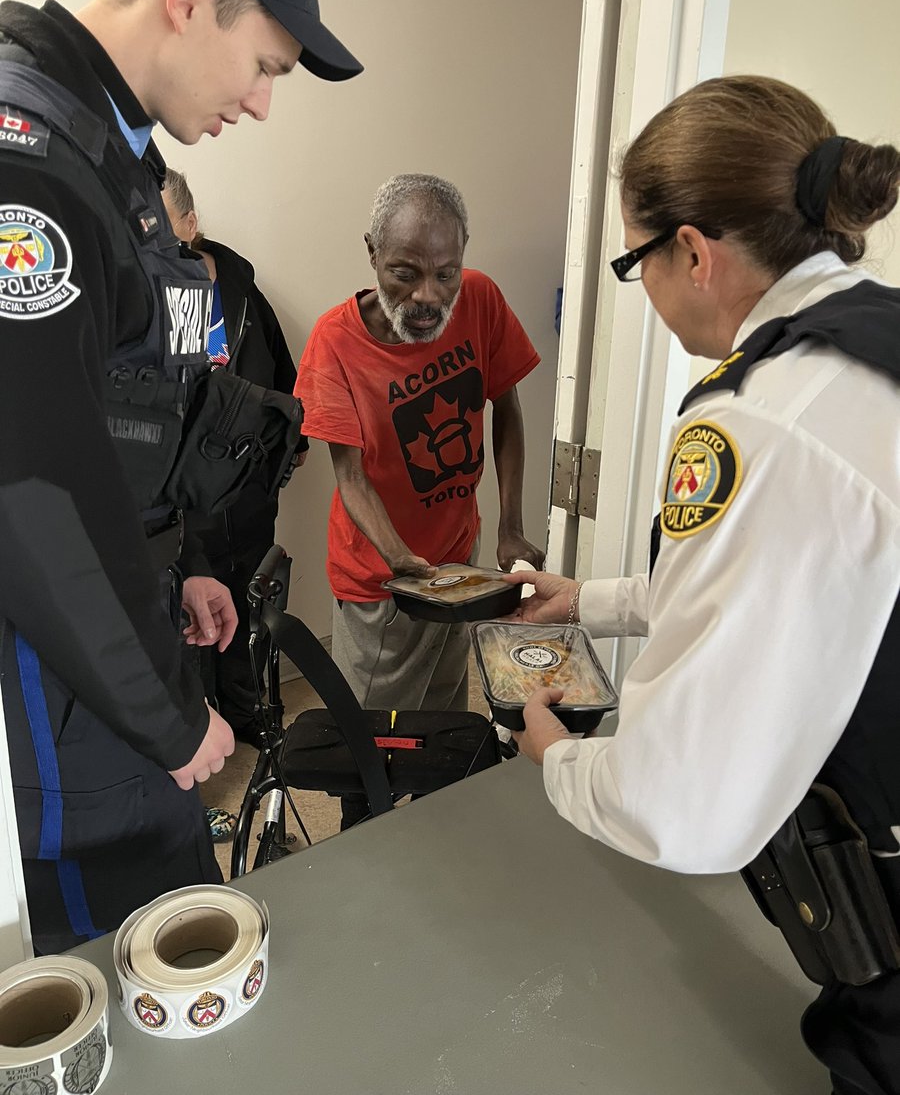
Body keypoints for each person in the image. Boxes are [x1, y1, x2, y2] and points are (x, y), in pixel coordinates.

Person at [508, 76, 900, 1095]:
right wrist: (585, 600)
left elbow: (682, 805)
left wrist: (556, 757)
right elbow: (800, 581)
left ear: (692, 250)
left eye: (634, 260)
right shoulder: (876, 348)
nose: (642, 287)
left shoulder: (757, 420)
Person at [0, 0, 362, 952]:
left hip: (114, 624)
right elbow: (31, 483)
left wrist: (185, 557)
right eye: (263, 67)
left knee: (168, 920)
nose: (259, 104)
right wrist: (166, 712)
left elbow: (118, 410)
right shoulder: (27, 162)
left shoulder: (112, 156)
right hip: (56, 660)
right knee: (121, 955)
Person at [295, 173, 545, 718]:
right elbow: (351, 476)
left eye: (445, 274)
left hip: (459, 560)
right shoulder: (333, 343)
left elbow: (507, 408)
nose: (427, 296)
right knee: (372, 740)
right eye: (404, 275)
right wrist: (399, 560)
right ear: (372, 253)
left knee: (442, 717)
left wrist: (509, 525)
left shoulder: (480, 297)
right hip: (381, 577)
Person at [162, 168, 305, 747]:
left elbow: (285, 377)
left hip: (249, 498)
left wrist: (290, 449)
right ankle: (204, 730)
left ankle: (248, 717)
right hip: (184, 502)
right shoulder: (150, 300)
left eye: (160, 222)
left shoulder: (243, 292)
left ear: (191, 224)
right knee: (193, 623)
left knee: (249, 609)